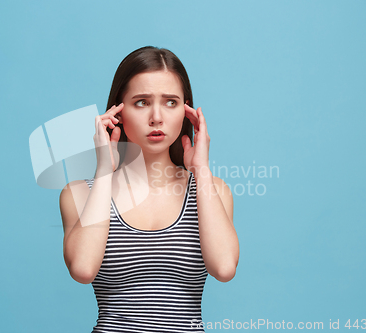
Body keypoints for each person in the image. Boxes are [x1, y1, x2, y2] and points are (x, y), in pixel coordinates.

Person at [59, 46, 239, 333]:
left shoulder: (212, 190)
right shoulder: (79, 193)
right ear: (117, 111)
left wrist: (201, 170)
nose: (157, 117)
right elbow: (82, 269)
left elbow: (224, 268)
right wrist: (104, 171)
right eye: (142, 102)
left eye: (170, 102)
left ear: (186, 111)